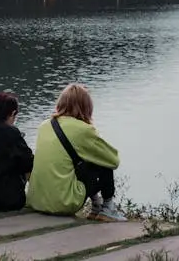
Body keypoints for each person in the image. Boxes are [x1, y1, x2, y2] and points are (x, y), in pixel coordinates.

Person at [26, 83, 125, 221]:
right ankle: (107, 208)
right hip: (63, 203)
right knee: (103, 160)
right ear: (86, 106)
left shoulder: (44, 126)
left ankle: (96, 206)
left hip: (37, 201)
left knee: (75, 160)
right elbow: (113, 160)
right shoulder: (83, 129)